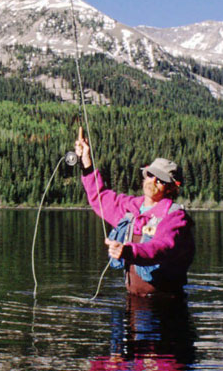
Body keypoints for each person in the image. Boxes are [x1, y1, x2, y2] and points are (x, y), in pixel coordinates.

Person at [73, 127, 194, 296]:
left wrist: (129, 251)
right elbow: (99, 197)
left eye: (161, 180)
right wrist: (86, 163)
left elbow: (161, 247)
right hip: (134, 303)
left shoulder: (175, 216)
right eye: (151, 175)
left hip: (167, 306)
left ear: (171, 188)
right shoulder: (130, 207)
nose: (153, 181)